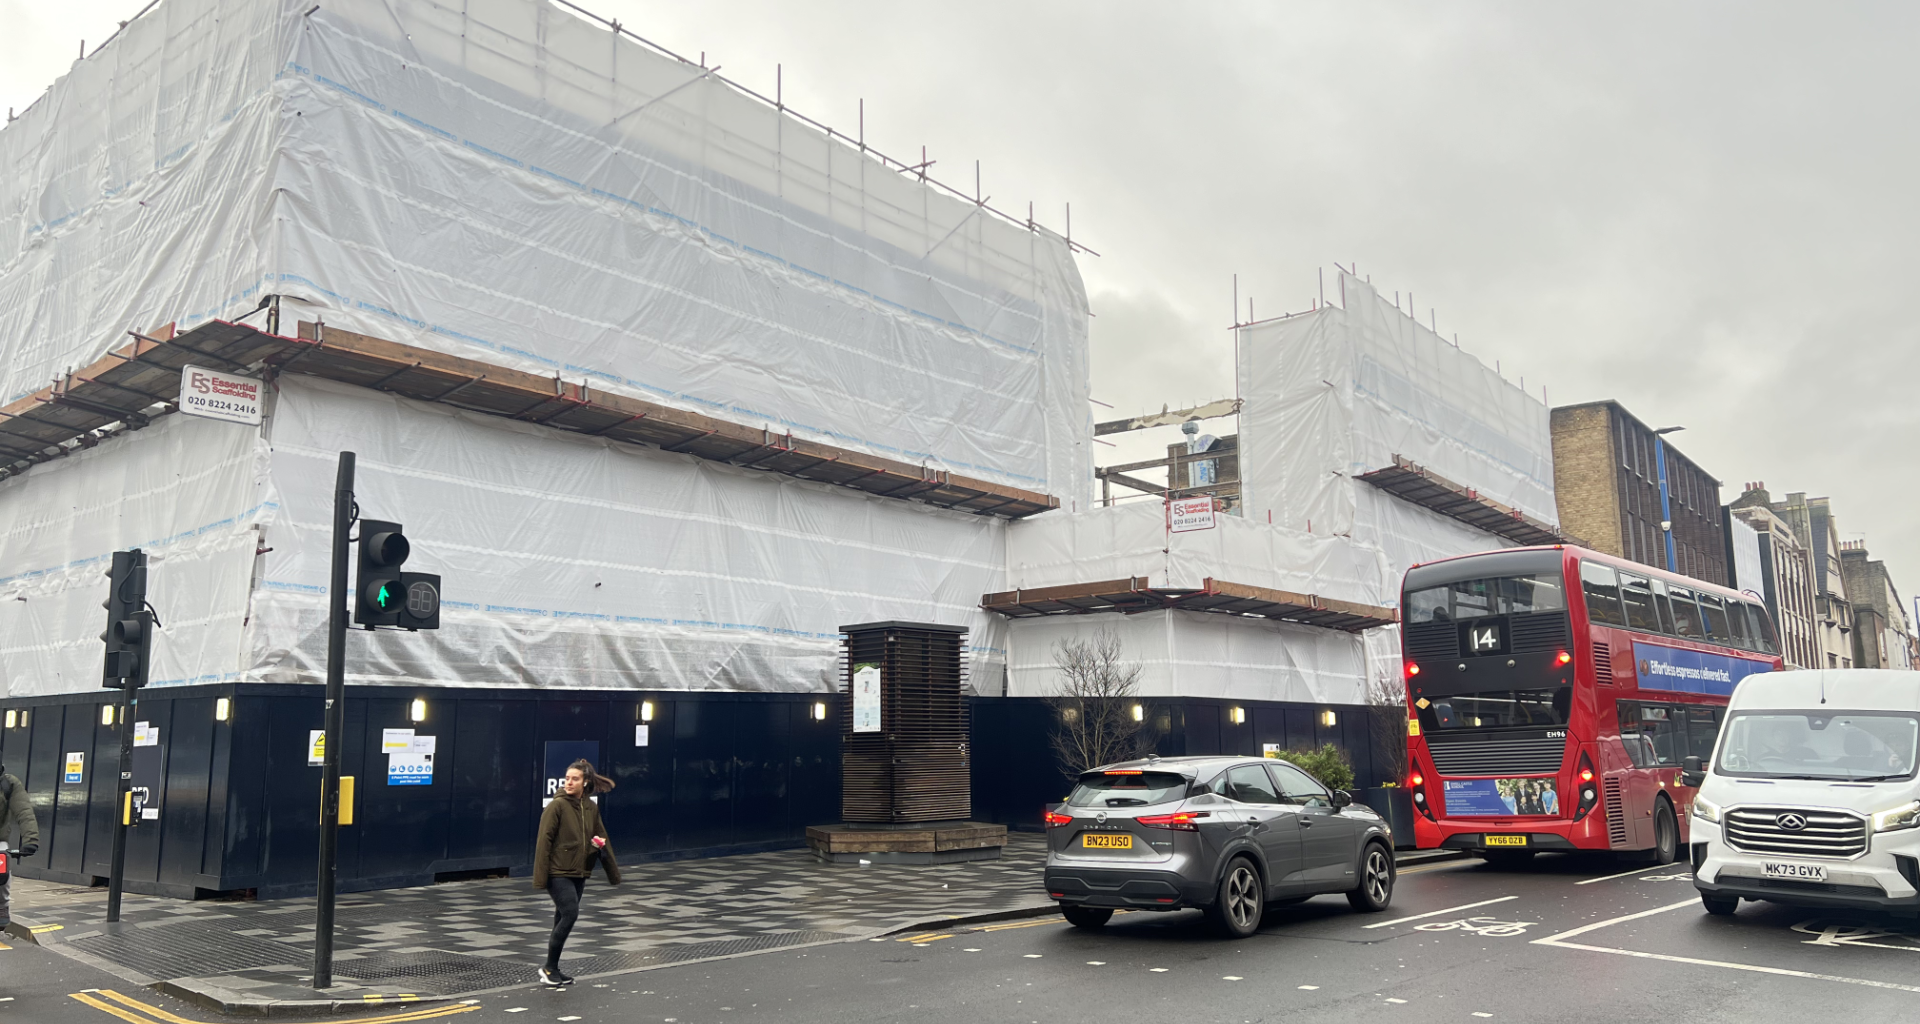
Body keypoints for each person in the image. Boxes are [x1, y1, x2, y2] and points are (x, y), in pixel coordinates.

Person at [533, 759, 619, 987]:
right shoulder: (557, 806)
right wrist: (541, 878)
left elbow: (602, 836)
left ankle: (553, 968)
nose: (569, 782)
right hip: (557, 871)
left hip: (580, 870)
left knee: (561, 917)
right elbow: (544, 841)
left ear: (585, 782)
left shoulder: (591, 807)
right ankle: (548, 968)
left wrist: (612, 872)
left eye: (575, 779)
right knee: (570, 913)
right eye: (567, 778)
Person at [2, 761, 41, 934]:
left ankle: (1, 906)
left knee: (2, 869)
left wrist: (30, 840)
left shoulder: (8, 784)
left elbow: (24, 812)